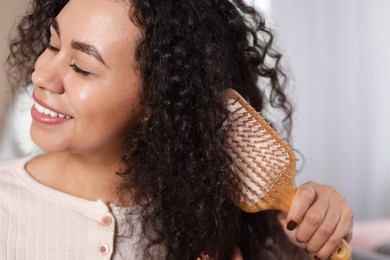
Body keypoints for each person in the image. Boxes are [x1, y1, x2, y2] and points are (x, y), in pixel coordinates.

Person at [0, 0, 353, 259]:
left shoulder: (208, 218)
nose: (40, 75)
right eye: (52, 43)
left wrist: (317, 231)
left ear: (158, 99)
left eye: (81, 67)